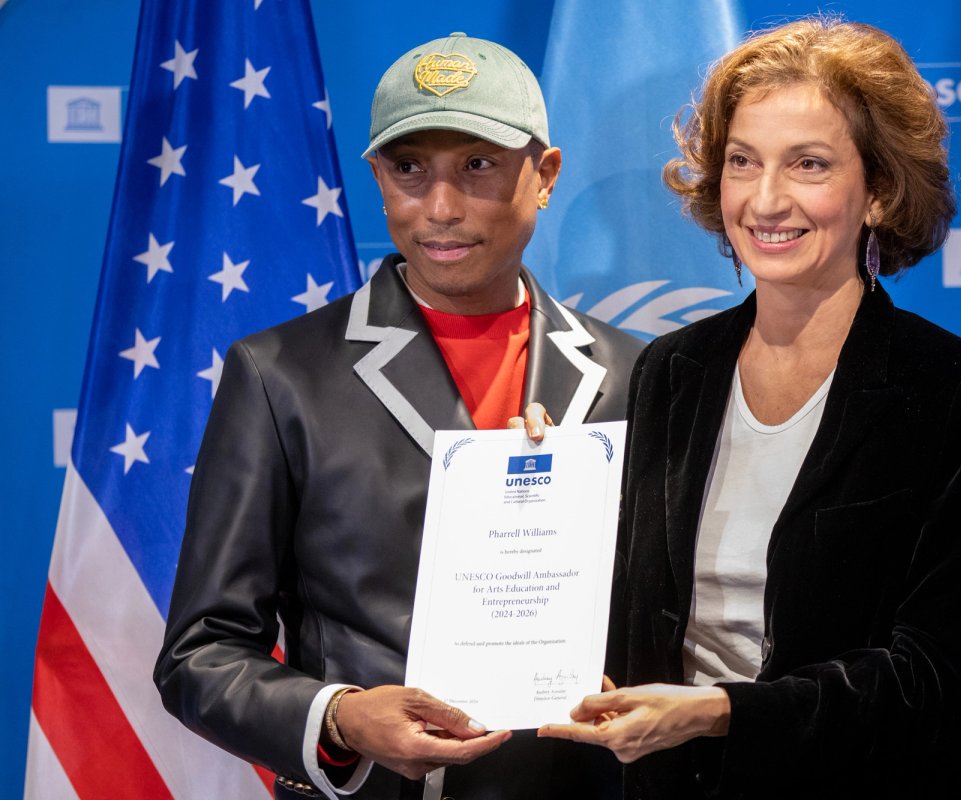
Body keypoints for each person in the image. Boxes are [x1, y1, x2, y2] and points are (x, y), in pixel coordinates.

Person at [154, 32, 641, 800]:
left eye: (477, 165)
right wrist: (341, 717)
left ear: (544, 174)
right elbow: (200, 655)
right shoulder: (281, 375)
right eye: (409, 169)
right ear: (378, 177)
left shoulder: (638, 372)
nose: (440, 208)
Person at [538, 17, 961, 797]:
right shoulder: (672, 370)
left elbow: (932, 674)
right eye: (742, 161)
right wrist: (543, 492)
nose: (765, 199)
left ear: (879, 191)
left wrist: (722, 713)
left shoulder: (948, 386)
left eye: (808, 164)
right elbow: (630, 613)